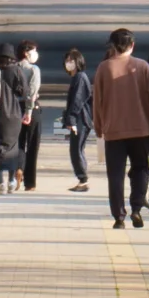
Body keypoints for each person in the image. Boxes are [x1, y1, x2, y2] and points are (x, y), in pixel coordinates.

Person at [91, 28, 149, 229]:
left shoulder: (104, 68)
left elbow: (97, 102)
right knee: (140, 169)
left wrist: (99, 127)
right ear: (132, 45)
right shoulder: (142, 67)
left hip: (113, 131)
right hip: (140, 130)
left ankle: (119, 216)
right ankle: (136, 208)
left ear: (112, 46)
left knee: (115, 174)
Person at [0, 44, 27, 191]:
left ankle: (0, 181)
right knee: (13, 146)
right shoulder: (17, 71)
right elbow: (24, 92)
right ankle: (12, 180)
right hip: (14, 113)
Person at [63, 47, 93, 191]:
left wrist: (72, 120)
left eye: (71, 60)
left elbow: (77, 101)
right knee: (77, 149)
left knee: (76, 149)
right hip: (79, 118)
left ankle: (83, 179)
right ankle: (82, 179)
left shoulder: (80, 77)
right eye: (67, 60)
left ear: (78, 61)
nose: (68, 63)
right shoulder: (76, 77)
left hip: (81, 118)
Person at [18, 39, 43, 191]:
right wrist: (28, 111)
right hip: (32, 109)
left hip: (14, 108)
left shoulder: (12, 68)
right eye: (33, 51)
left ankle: (18, 168)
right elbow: (32, 93)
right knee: (32, 144)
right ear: (26, 53)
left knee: (18, 142)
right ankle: (30, 182)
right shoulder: (33, 69)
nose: (35, 54)